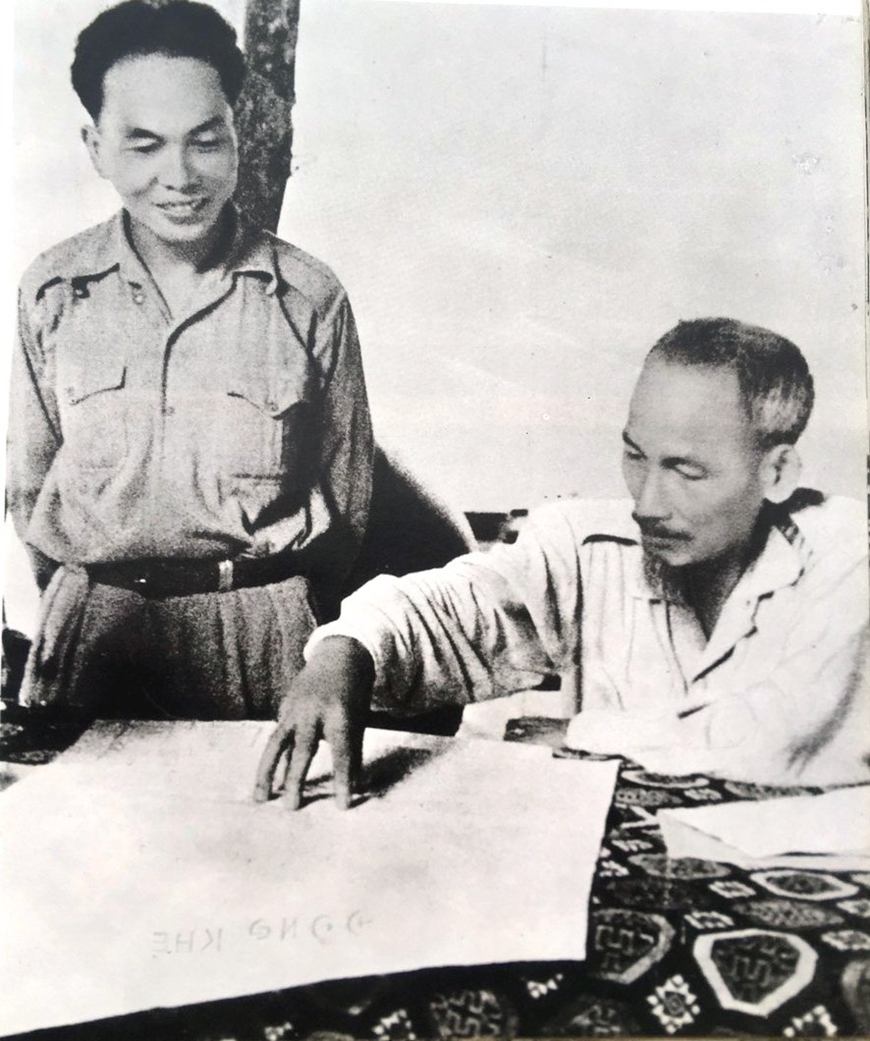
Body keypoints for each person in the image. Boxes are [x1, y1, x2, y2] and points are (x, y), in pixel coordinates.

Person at [255, 318, 869, 805]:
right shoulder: (585, 542)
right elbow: (461, 606)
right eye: (636, 456)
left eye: (686, 471)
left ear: (777, 472)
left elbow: (784, 742)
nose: (647, 505)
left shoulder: (849, 554)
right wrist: (348, 651)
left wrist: (580, 734)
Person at [7, 0, 373, 719]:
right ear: (96, 147)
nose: (179, 175)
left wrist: (276, 613)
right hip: (93, 634)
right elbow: (30, 490)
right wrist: (84, 600)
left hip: (263, 633)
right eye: (144, 146)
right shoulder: (52, 291)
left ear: (240, 135)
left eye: (205, 141)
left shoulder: (309, 297)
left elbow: (348, 511)